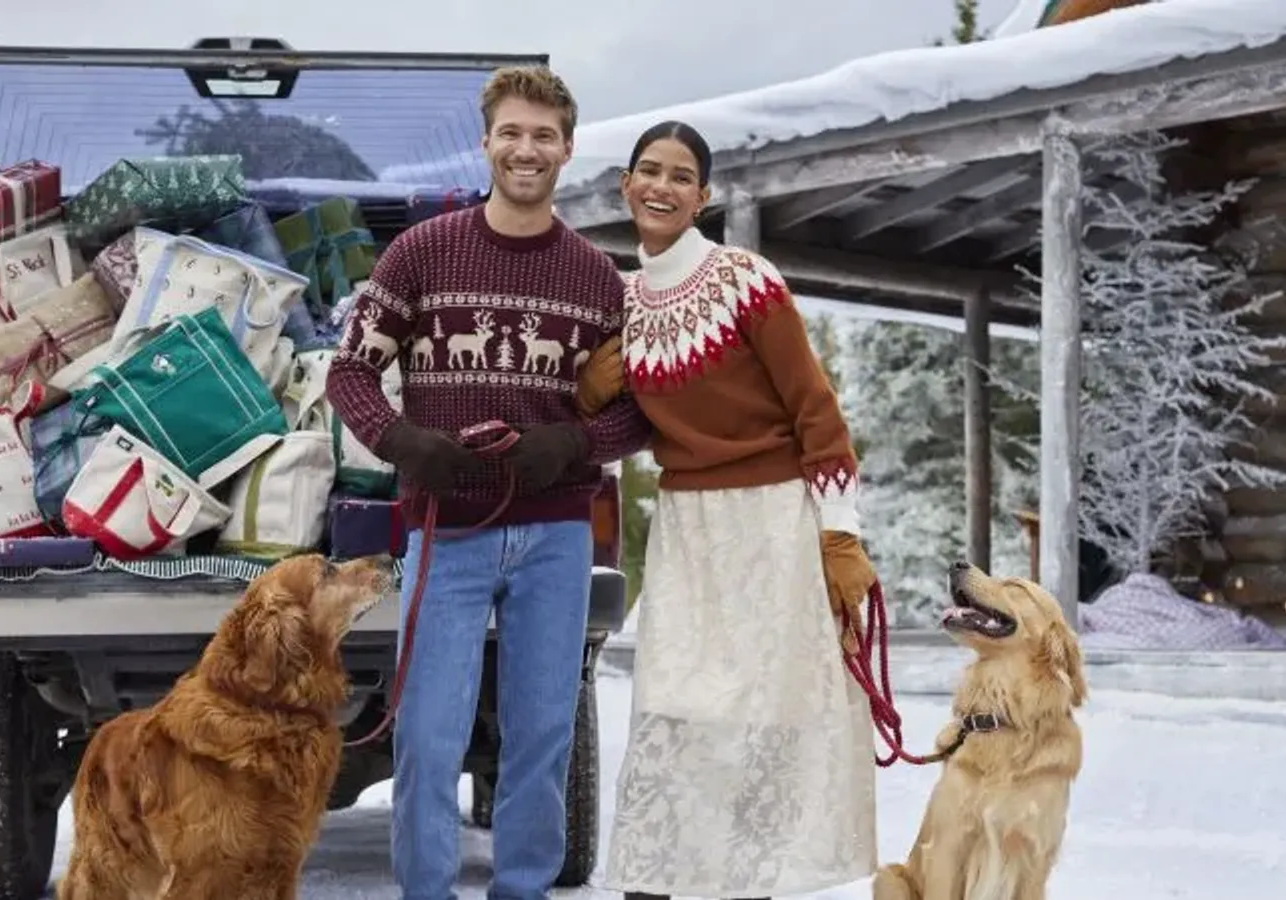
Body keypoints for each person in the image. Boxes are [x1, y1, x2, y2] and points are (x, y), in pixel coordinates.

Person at [326, 66, 651, 900]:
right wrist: (404, 441)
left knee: (541, 734)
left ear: (568, 149)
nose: (526, 149)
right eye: (511, 132)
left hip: (556, 534)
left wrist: (570, 441)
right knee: (430, 735)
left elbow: (641, 413)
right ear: (486, 143)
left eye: (543, 136)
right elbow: (350, 373)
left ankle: (523, 890)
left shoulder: (595, 278)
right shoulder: (421, 253)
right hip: (447, 529)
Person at [573, 120, 879, 900]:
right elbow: (623, 427)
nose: (662, 187)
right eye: (649, 171)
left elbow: (816, 411)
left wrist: (839, 538)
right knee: (673, 706)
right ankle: (655, 879)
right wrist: (584, 394)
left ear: (702, 197)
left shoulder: (747, 279)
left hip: (772, 521)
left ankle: (745, 885)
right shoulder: (623, 300)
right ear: (626, 186)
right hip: (686, 527)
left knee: (759, 720)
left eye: (681, 176)